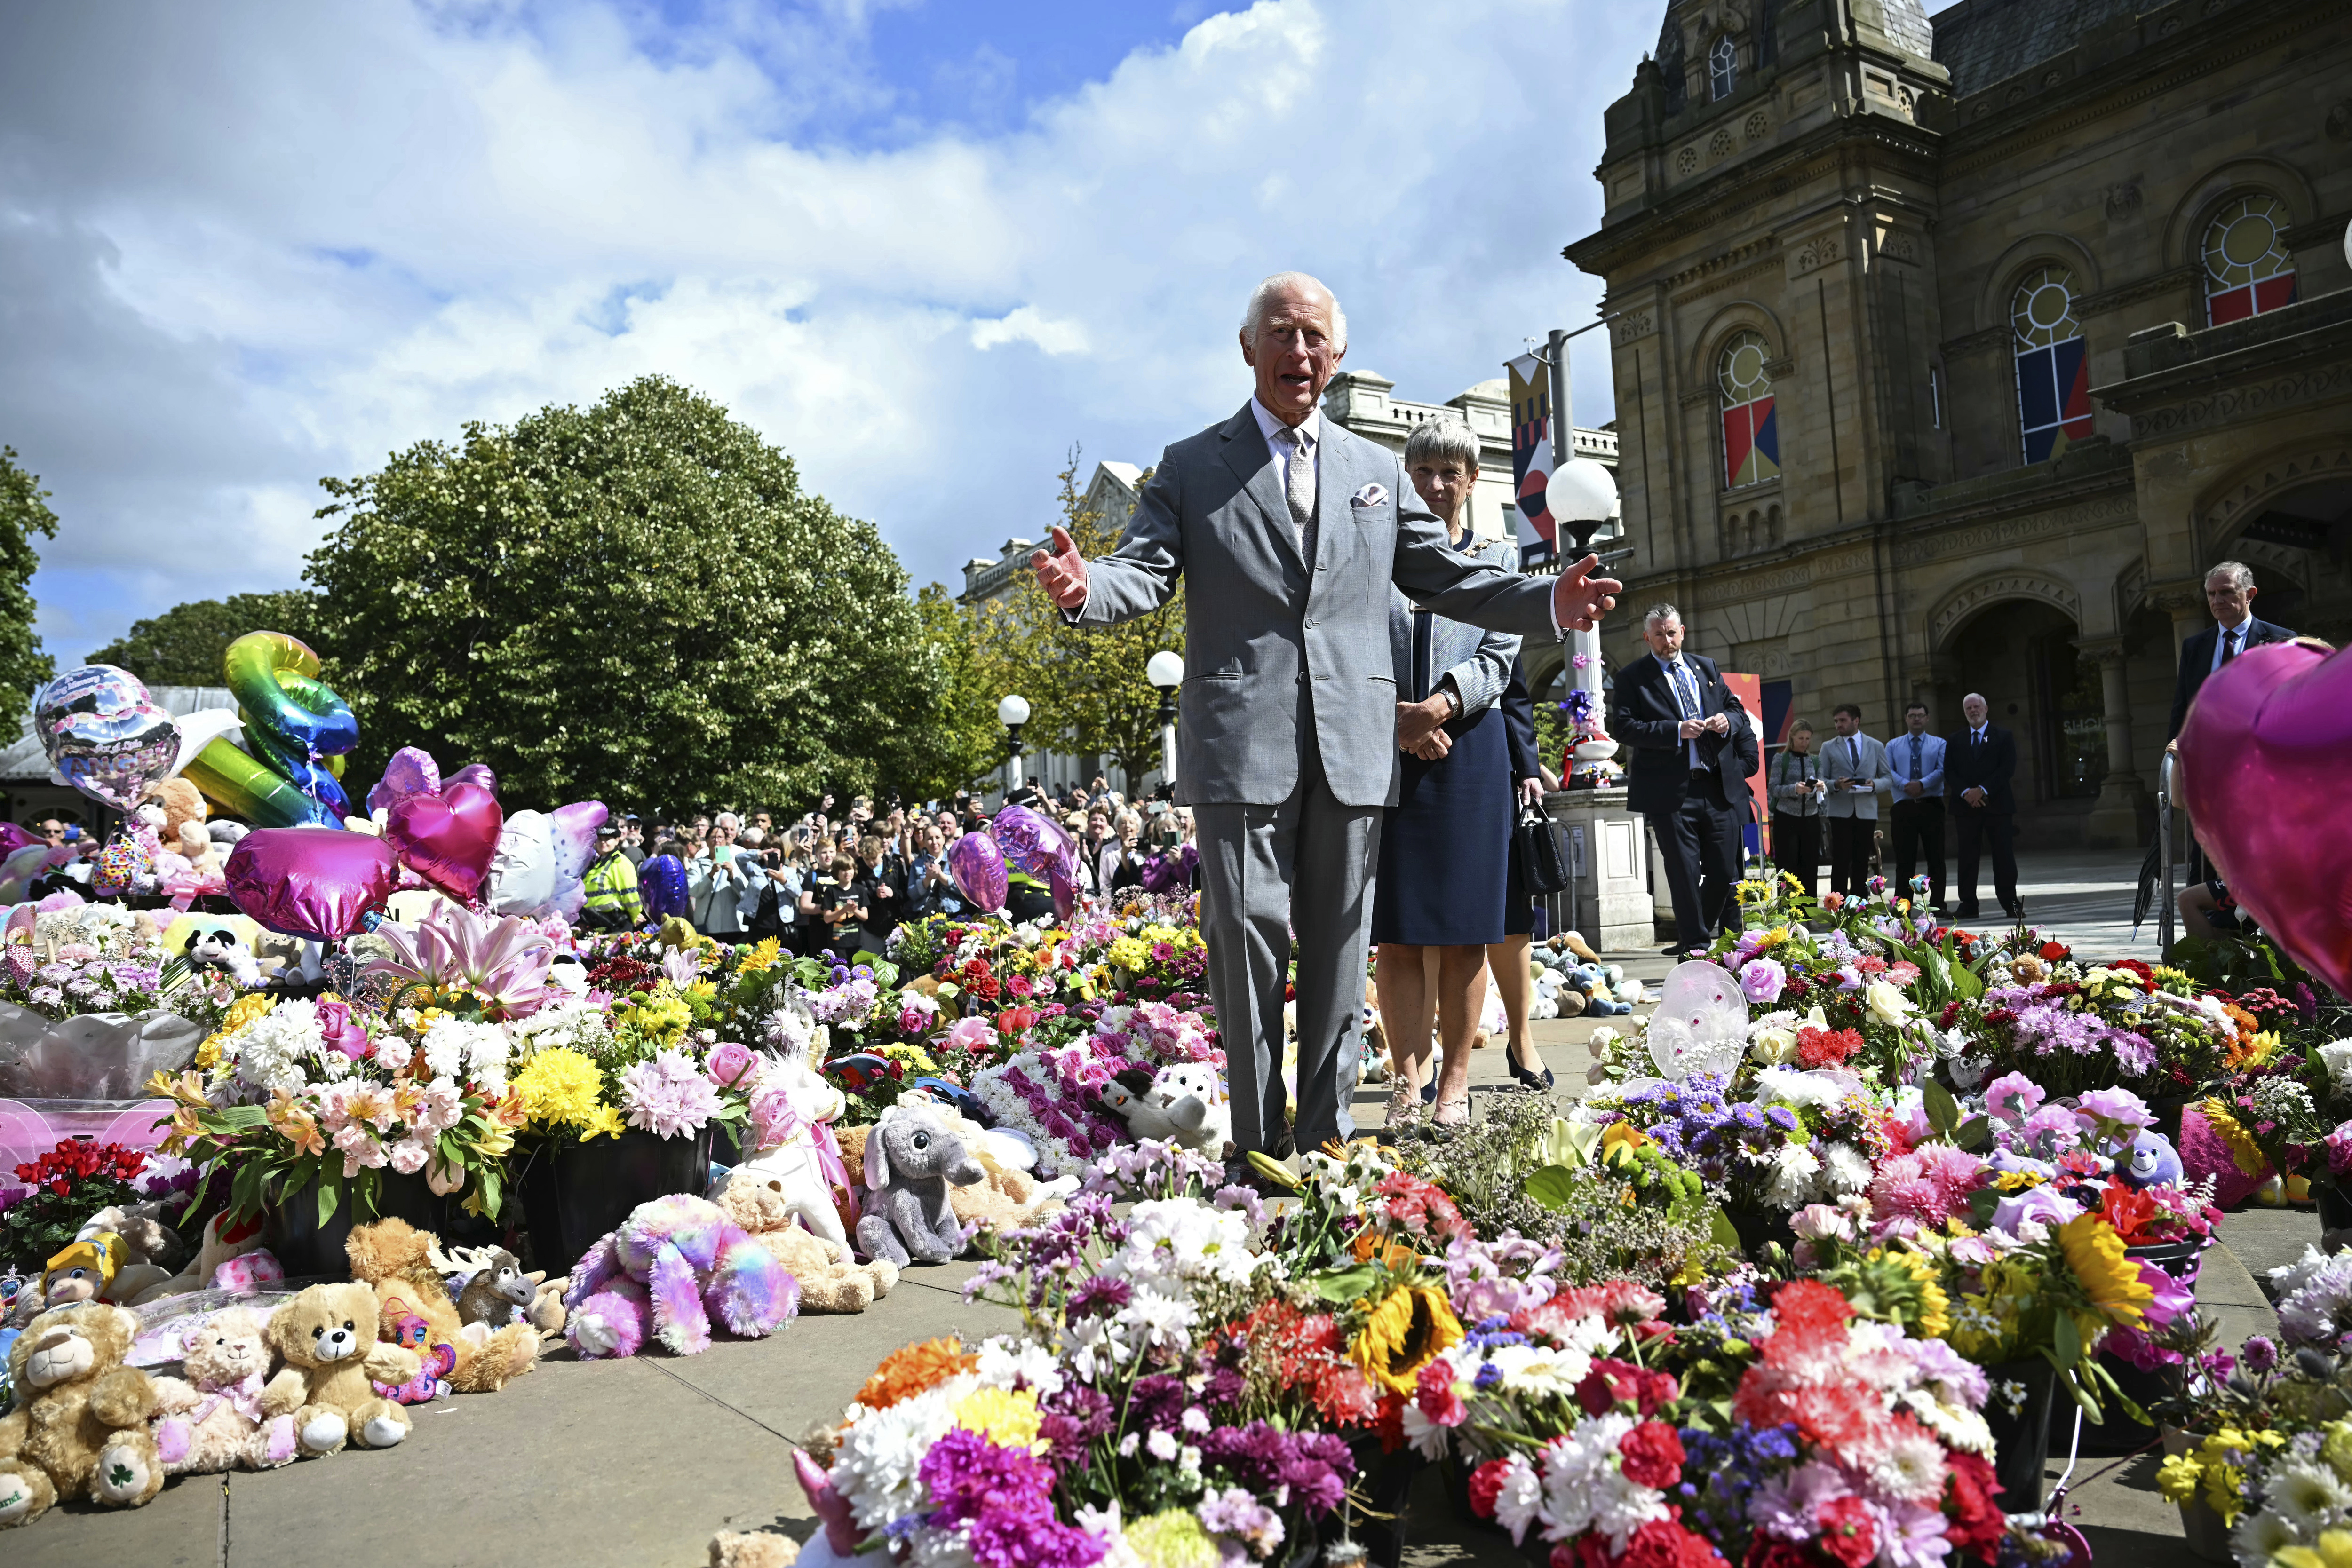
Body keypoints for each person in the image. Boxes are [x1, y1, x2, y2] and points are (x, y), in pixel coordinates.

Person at [1028, 270, 1618, 1180]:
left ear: (1335, 356)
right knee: (1248, 937)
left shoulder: (1376, 470)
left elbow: (1448, 575)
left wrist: (1550, 597)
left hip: (1352, 740)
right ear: (1247, 347)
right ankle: (1260, 1145)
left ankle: (1327, 1136)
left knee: (1346, 949)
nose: (1297, 351)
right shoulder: (1192, 464)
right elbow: (1139, 573)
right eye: (1280, 333)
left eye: (1314, 337)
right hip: (1239, 743)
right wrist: (1083, 589)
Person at [1369, 415, 1526, 1131]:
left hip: (1470, 751)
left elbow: (1500, 652)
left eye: (1450, 473)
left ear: (1471, 480)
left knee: (1466, 930)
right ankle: (1406, 1077)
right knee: (1397, 932)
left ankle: (1455, 1083)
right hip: (1385, 745)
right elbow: (1348, 642)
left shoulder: (1499, 553)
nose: (1436, 485)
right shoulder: (1374, 556)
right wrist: (1398, 718)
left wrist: (1439, 705)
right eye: (1424, 472)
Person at [1610, 604, 1746, 954]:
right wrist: (1676, 731)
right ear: (1647, 638)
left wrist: (1726, 721)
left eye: (1671, 632)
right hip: (1671, 794)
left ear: (1682, 631)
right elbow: (1623, 727)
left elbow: (1736, 709)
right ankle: (1697, 949)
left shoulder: (1707, 668)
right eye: (1658, 634)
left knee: (1723, 872)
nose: (1666, 640)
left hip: (1717, 786)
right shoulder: (1632, 678)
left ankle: (1691, 934)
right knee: (1684, 874)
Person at [1486, 655, 1554, 1093]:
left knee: (1511, 915)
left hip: (1492, 767)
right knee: (1428, 927)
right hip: (1412, 759)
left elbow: (1515, 694)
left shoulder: (1487, 599)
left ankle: (1521, 1036)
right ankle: (1423, 1057)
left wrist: (1528, 767)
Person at [2169, 560, 2295, 740]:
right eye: (2211, 594)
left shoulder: (2281, 639)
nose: (2217, 600)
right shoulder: (2194, 646)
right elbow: (2181, 709)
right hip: (2208, 752)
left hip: (2262, 748)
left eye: (2226, 592)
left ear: (2250, 595)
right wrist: (2175, 757)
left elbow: (2291, 702)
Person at [1947, 691, 2021, 921]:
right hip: (1966, 807)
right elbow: (1950, 771)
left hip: (1997, 805)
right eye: (1968, 708)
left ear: (1986, 709)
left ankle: (2011, 903)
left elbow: (2007, 769)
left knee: (2004, 856)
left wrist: (1983, 790)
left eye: (1977, 706)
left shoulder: (2003, 736)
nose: (1973, 711)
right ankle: (1968, 903)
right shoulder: (1955, 740)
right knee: (1968, 857)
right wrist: (1967, 793)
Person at [1819, 704, 1891, 898]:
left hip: (1866, 810)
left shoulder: (1875, 746)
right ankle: (1837, 905)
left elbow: (1888, 778)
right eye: (1836, 721)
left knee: (1862, 860)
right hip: (1840, 811)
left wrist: (1873, 784)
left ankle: (1861, 904)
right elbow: (1820, 779)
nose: (1838, 725)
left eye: (1842, 720)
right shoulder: (1828, 747)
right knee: (1841, 860)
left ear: (1856, 721)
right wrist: (1835, 784)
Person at [1885, 700, 1947, 911]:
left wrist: (1922, 784)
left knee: (1936, 857)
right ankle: (1904, 906)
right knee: (1904, 860)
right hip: (1904, 806)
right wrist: (1906, 785)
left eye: (1921, 715)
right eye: (1912, 715)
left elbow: (1942, 770)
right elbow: (1888, 771)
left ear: (1927, 718)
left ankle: (1938, 904)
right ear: (1906, 719)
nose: (1916, 719)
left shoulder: (1939, 744)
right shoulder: (1893, 745)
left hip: (1931, 804)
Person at [1767, 719, 1826, 899]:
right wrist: (1794, 789)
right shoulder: (1781, 759)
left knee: (1810, 867)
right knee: (1787, 867)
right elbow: (1773, 789)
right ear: (1792, 737)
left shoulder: (1815, 761)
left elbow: (1823, 785)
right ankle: (1786, 912)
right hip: (1787, 819)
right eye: (1801, 738)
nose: (1805, 743)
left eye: (1808, 739)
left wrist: (1821, 787)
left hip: (1810, 818)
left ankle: (1809, 913)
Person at [580, 822, 643, 931]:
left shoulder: (621, 863)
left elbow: (630, 894)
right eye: (600, 839)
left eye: (608, 838)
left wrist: (635, 914)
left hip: (617, 924)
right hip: (596, 923)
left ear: (617, 840)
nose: (603, 842)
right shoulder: (597, 864)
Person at [639, 838, 694, 925]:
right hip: (685, 912)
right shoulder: (686, 870)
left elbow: (643, 871)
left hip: (661, 914)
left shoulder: (659, 874)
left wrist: (654, 853)